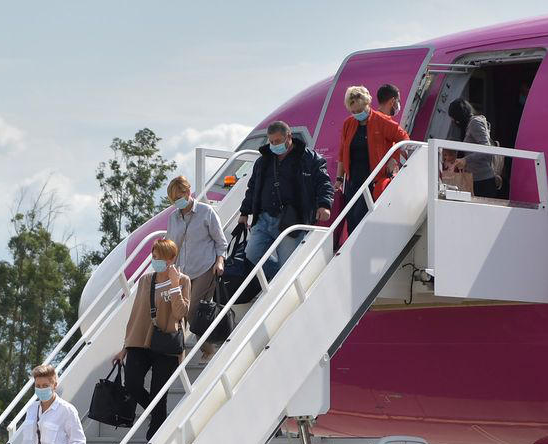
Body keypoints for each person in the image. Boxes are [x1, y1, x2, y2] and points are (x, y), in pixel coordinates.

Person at [116, 236, 191, 439]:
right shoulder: (145, 280)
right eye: (154, 256)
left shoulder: (183, 281)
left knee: (160, 393)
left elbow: (180, 312)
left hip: (165, 343)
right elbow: (136, 314)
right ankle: (159, 417)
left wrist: (175, 285)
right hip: (139, 342)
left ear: (172, 258)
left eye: (161, 257)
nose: (156, 260)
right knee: (131, 384)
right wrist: (125, 347)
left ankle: (155, 435)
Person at [240, 126, 334, 274]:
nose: (274, 145)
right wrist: (244, 212)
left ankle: (281, 279)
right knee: (252, 254)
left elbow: (324, 183)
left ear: (289, 137)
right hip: (264, 217)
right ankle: (277, 277)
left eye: (278, 141)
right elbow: (253, 187)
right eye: (271, 142)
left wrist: (324, 204)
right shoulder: (263, 160)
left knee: (288, 263)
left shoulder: (309, 158)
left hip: (291, 220)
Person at [334, 85, 410, 233]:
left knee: (360, 220)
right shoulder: (348, 124)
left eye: (359, 110)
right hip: (352, 182)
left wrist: (393, 159)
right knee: (351, 221)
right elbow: (342, 153)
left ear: (367, 104)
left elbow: (404, 138)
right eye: (353, 111)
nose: (356, 114)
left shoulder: (381, 121)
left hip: (373, 181)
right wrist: (338, 178)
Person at [164, 175, 227, 304]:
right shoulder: (173, 218)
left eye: (178, 198)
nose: (176, 203)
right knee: (180, 310)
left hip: (204, 268)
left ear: (187, 192)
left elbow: (221, 241)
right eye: (173, 200)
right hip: (181, 273)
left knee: (192, 308)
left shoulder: (206, 212)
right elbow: (170, 246)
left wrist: (219, 261)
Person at [447, 98, 504, 199]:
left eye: (454, 118)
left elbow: (487, 149)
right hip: (474, 179)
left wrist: (465, 160)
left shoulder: (475, 123)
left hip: (483, 181)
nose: (453, 121)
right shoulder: (469, 125)